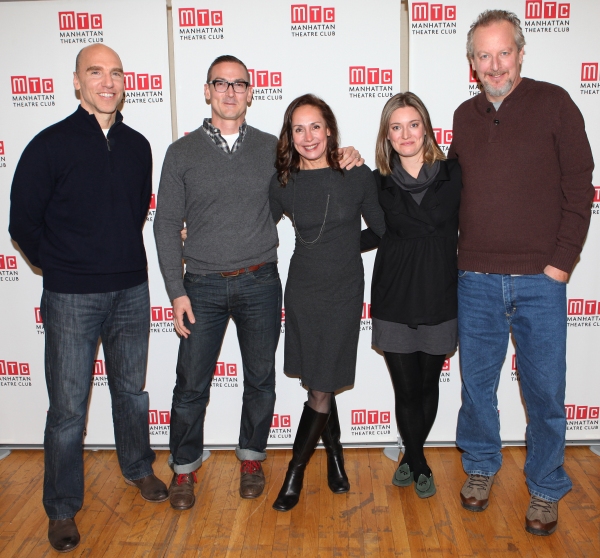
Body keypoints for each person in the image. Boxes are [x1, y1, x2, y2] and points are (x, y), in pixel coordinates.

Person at [153, 56, 362, 510]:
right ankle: (185, 468)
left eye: (239, 84)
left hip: (261, 281)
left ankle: (252, 458)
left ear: (251, 92)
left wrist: (349, 156)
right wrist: (176, 290)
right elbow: (166, 223)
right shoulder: (181, 153)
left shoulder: (275, 151)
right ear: (207, 91)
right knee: (191, 383)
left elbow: (312, 182)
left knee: (261, 379)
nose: (230, 91)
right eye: (220, 84)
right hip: (202, 285)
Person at [9, 44, 167, 553]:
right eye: (95, 72)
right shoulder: (48, 145)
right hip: (71, 295)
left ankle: (138, 468)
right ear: (77, 82)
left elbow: (134, 211)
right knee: (68, 411)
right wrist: (61, 265)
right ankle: (60, 508)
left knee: (132, 393)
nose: (107, 81)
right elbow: (23, 224)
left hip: (131, 290)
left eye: (116, 72)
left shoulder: (139, 145)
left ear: (125, 82)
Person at [449, 10, 594, 536]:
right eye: (483, 56)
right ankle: (483, 467)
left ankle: (546, 485)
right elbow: (444, 191)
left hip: (540, 280)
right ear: (472, 62)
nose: (494, 65)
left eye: (502, 52)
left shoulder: (555, 102)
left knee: (545, 392)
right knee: (477, 386)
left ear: (520, 52)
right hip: (477, 279)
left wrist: (561, 263)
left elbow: (581, 187)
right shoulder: (464, 117)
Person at [269, 94, 385, 512]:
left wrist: (345, 247)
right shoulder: (283, 182)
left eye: (314, 126)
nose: (307, 136)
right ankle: (335, 457)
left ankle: (294, 474)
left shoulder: (355, 174)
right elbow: (255, 224)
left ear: (330, 129)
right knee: (320, 376)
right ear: (290, 135)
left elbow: (382, 228)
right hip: (302, 289)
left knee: (320, 383)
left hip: (343, 290)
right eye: (298, 129)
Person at [361, 92, 461, 498]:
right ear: (387, 133)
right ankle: (419, 461)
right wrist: (326, 246)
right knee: (405, 389)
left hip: (439, 292)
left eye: (413, 124)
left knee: (427, 385)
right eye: (396, 126)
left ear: (426, 127)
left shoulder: (453, 173)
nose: (406, 134)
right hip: (395, 294)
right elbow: (374, 233)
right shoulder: (375, 181)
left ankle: (411, 457)